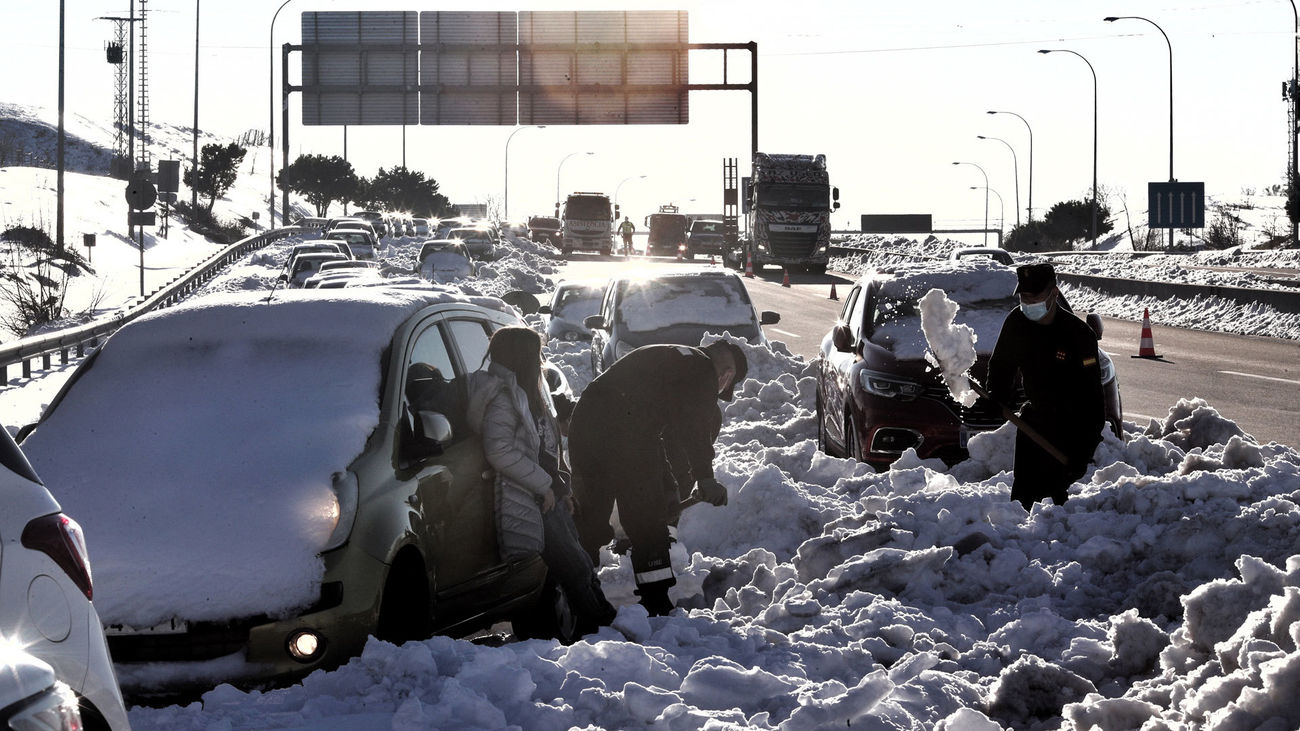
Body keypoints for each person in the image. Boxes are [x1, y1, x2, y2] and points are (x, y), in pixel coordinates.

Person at [567, 340, 747, 616]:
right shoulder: (700, 370)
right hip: (626, 435)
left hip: (587, 427)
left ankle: (576, 596)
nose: (719, 390)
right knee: (648, 520)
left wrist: (669, 483)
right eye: (725, 386)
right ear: (726, 374)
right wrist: (705, 478)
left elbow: (666, 433)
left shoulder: (674, 357)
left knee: (591, 518)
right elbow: (695, 428)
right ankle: (656, 602)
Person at [465, 327, 616, 634]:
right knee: (574, 567)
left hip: (548, 494)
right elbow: (499, 450)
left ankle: (602, 624)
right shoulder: (504, 398)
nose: (542, 360)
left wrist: (562, 487)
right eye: (537, 354)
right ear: (522, 357)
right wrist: (543, 485)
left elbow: (546, 448)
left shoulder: (528, 390)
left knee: (579, 563)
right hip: (529, 497)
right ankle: (601, 626)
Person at [987, 262, 1105, 510]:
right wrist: (996, 398)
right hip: (1034, 422)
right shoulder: (1017, 323)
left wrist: (1083, 452)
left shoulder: (1077, 334)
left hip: (1069, 428)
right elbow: (1001, 366)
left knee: (1053, 504)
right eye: (1023, 296)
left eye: (1035, 296)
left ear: (1054, 293)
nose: (1028, 302)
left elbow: (1094, 400)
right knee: (1022, 500)